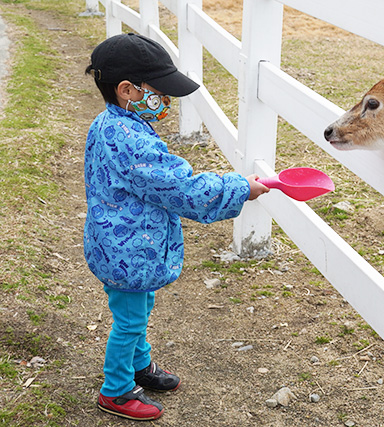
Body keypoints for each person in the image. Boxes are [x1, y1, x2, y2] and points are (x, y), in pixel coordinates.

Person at [83, 33, 269, 421]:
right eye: (160, 91)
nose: (166, 100)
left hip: (123, 244)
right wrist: (239, 188)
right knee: (130, 319)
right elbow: (180, 187)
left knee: (140, 307)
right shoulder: (130, 140)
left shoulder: (110, 123)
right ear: (127, 90)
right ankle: (115, 390)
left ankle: (140, 365)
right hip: (128, 249)